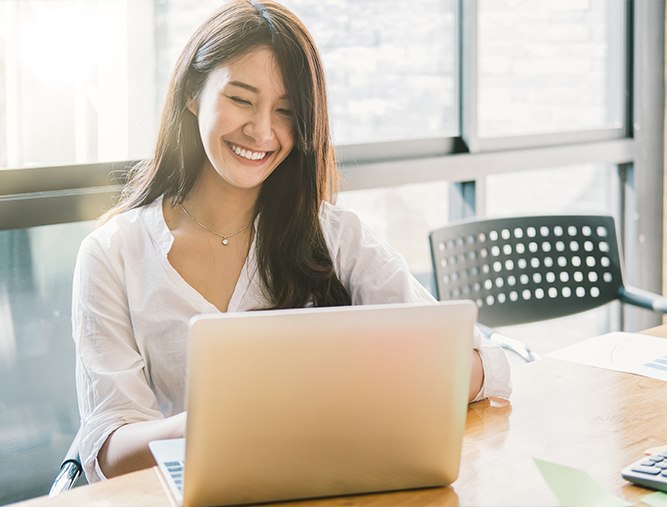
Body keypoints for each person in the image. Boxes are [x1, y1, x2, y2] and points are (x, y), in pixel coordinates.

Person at [72, 0, 511, 483]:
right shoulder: (113, 254)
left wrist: (353, 392)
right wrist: (221, 424)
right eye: (241, 100)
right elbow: (108, 449)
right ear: (193, 93)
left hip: (325, 485)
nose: (262, 131)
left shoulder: (336, 236)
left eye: (285, 111)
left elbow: (484, 362)